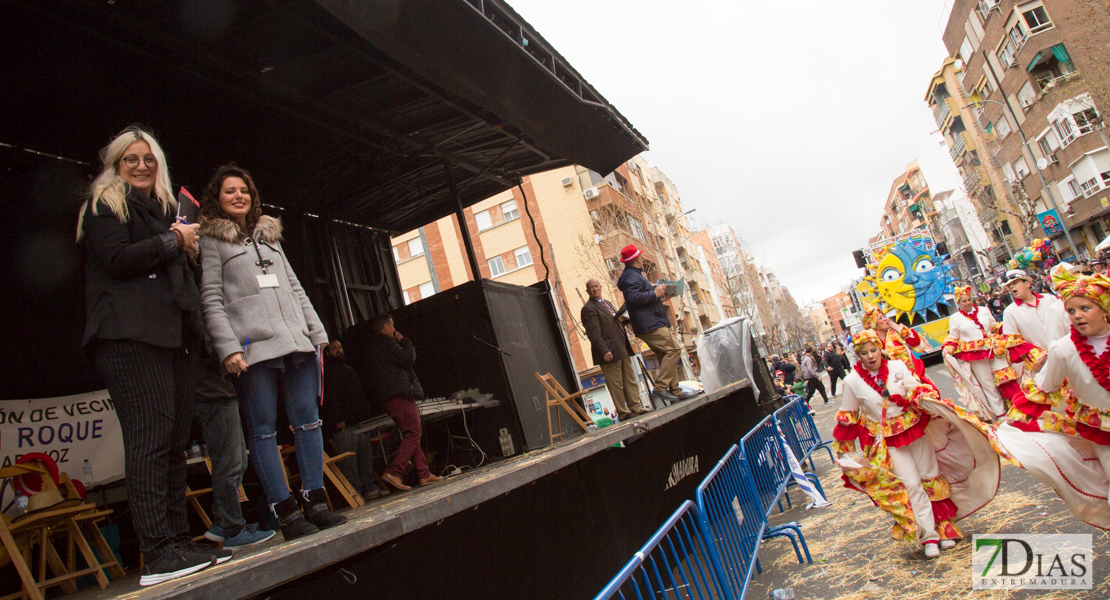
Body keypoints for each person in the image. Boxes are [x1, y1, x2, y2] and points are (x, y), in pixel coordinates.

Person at [78, 126, 228, 584]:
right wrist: (173, 242)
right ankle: (158, 553)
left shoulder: (168, 213)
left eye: (148, 159)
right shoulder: (106, 204)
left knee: (176, 443)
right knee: (150, 441)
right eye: (131, 159)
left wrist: (186, 244)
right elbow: (119, 260)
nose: (141, 166)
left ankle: (179, 542)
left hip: (174, 336)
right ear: (116, 164)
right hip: (128, 338)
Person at [198, 165, 346, 541]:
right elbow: (211, 300)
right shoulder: (212, 241)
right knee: (262, 431)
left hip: (296, 341)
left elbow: (296, 288)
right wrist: (228, 347)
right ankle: (286, 512)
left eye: (244, 189)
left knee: (309, 421)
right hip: (253, 350)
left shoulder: (270, 235)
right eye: (229, 191)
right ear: (217, 198)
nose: (238, 196)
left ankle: (316, 501)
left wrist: (317, 332)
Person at [833, 330, 999, 558]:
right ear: (857, 355)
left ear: (880, 349)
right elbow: (848, 416)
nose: (871, 356)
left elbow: (916, 388)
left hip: (915, 429)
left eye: (874, 350)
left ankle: (943, 528)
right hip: (889, 439)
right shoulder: (852, 381)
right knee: (911, 485)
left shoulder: (898, 367)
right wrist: (844, 453)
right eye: (864, 353)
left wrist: (915, 396)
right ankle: (928, 537)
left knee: (929, 477)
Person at [993, 266, 1110, 529]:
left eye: (1085, 308)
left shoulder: (1048, 302)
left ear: (1104, 309)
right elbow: (1043, 388)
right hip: (1104, 431)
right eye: (1071, 311)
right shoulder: (1064, 349)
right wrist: (1015, 421)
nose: (1077, 316)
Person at [194, 355, 276, 548]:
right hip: (213, 394)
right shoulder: (205, 332)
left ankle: (223, 522)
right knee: (228, 464)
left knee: (237, 461)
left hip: (218, 391)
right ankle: (233, 530)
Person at [360, 313, 443, 491]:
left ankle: (424, 473)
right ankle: (394, 472)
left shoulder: (374, 347)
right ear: (384, 328)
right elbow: (408, 358)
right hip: (399, 394)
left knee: (410, 434)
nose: (394, 329)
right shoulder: (386, 343)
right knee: (414, 432)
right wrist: (405, 341)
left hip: (389, 396)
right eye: (392, 326)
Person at [615, 245, 696, 402]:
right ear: (637, 259)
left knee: (664, 354)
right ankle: (660, 388)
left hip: (649, 323)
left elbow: (639, 298)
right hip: (651, 324)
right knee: (673, 350)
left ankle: (676, 391)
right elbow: (633, 298)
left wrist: (659, 295)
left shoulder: (633, 275)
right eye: (640, 256)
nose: (642, 258)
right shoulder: (633, 277)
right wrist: (654, 293)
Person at [943, 286, 1036, 420]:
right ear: (959, 303)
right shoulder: (955, 318)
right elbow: (953, 336)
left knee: (1006, 378)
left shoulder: (984, 310)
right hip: (975, 355)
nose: (968, 303)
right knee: (988, 386)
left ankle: (1019, 408)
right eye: (964, 301)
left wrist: (1008, 326)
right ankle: (1001, 416)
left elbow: (993, 326)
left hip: (994, 348)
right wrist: (949, 348)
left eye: (969, 300)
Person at [321, 340, 386, 501]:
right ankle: (355, 490)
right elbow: (330, 398)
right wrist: (338, 419)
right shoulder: (327, 373)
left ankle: (369, 486)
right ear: (327, 353)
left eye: (340, 347)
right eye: (334, 348)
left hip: (359, 421)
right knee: (349, 459)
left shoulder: (349, 368)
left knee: (365, 455)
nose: (338, 351)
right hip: (343, 424)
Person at [580, 278, 644, 421]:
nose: (595, 289)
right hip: (609, 352)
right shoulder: (588, 309)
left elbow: (615, 322)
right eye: (591, 288)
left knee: (630, 379)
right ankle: (623, 412)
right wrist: (604, 351)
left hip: (622, 347)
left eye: (596, 286)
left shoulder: (607, 303)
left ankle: (636, 408)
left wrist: (626, 318)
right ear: (587, 291)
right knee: (616, 384)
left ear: (601, 287)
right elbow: (593, 333)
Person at [862, 305, 937, 392]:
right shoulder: (872, 343)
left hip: (911, 376)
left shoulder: (895, 334)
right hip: (892, 383)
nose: (885, 319)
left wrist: (898, 328)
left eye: (884, 316)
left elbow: (919, 344)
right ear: (874, 324)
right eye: (881, 318)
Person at [1001, 269, 1069, 351]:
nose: (1011, 287)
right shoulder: (1010, 312)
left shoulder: (1049, 298)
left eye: (1015, 283)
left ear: (1027, 283)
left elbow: (1067, 320)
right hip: (1043, 360)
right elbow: (1012, 341)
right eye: (1009, 286)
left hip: (1068, 351)